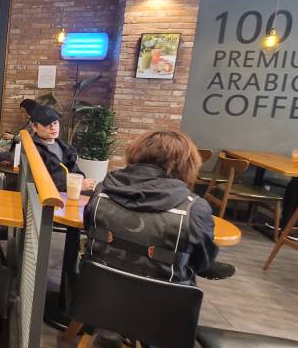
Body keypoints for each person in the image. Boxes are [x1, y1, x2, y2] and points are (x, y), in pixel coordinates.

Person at [83, 130, 218, 285]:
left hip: (97, 291)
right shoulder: (194, 209)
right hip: (162, 298)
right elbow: (202, 262)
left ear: (135, 153)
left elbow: (89, 230)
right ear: (187, 164)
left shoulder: (102, 191)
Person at [29, 105, 95, 192]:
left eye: (55, 123)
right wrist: (75, 185)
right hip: (50, 196)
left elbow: (75, 171)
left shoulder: (66, 147)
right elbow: (41, 181)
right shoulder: (33, 150)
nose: (53, 127)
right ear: (34, 127)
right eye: (46, 124)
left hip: (69, 192)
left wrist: (81, 181)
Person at [0, 99, 38, 171]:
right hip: (17, 151)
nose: (21, 113)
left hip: (21, 155)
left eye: (23, 111)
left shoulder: (35, 125)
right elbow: (21, 136)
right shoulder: (30, 122)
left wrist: (12, 137)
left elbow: (29, 141)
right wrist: (11, 136)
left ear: (30, 111)